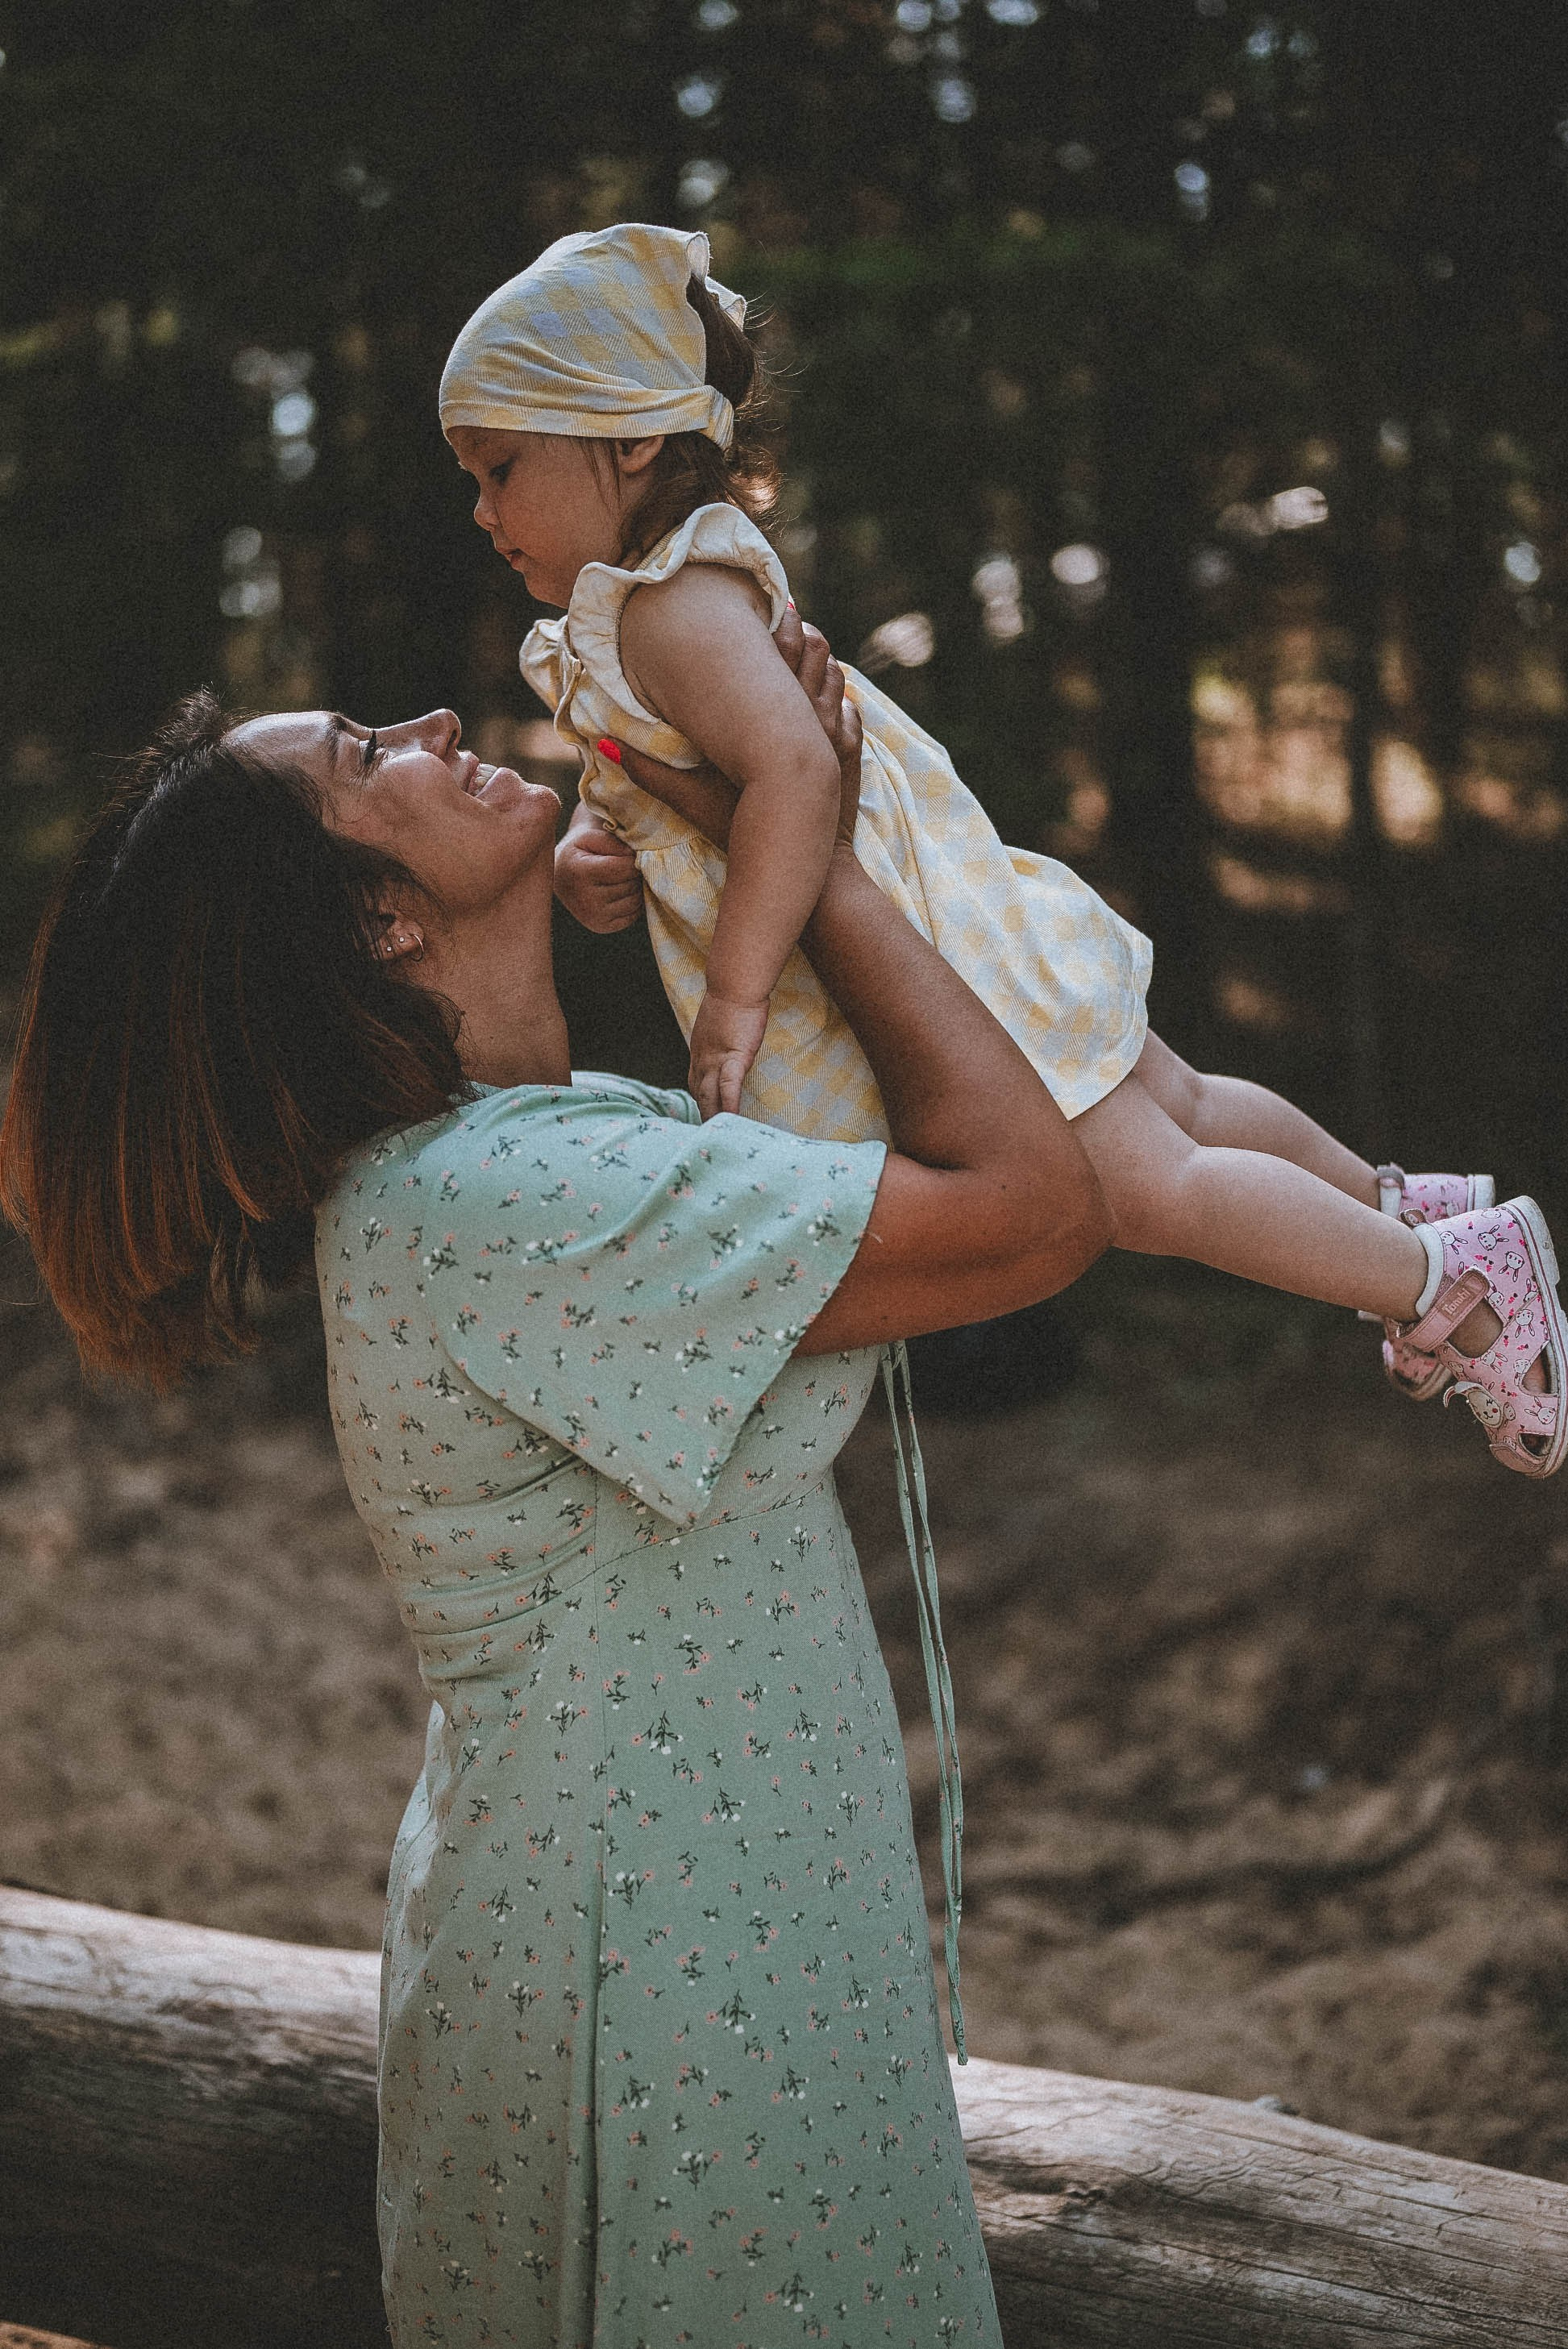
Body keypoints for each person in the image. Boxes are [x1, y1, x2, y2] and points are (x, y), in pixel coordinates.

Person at [0, 623, 1108, 2345]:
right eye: (372, 753)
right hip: (665, 1975)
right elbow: (1033, 1208)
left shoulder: (549, 1139)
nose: (435, 719)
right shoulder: (504, 1205)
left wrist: (770, 822)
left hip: (691, 1920)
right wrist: (796, 845)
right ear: (378, 918)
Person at [439, 220, 1566, 1479]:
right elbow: (677, 783)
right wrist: (605, 852)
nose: (482, 512)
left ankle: (1440, 1282)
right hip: (958, 912)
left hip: (930, 958)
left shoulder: (665, 613)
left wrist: (737, 995)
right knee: (1177, 1101)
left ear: (630, 439)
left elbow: (796, 771)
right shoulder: (648, 611)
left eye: (500, 469)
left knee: (1153, 1188)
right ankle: (1395, 1203)